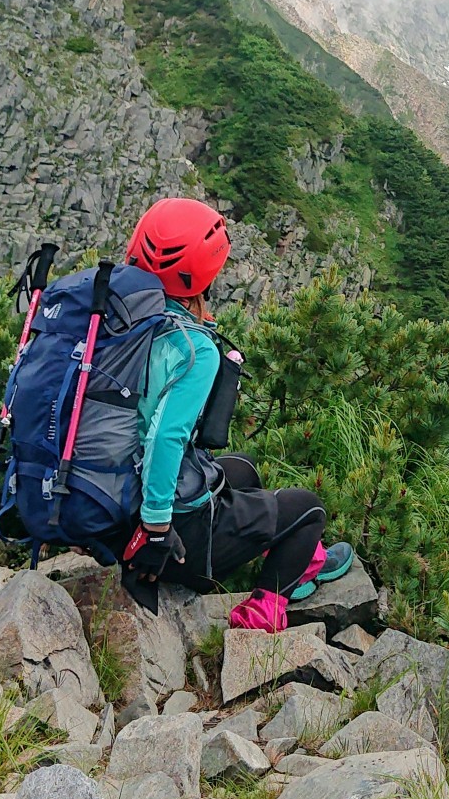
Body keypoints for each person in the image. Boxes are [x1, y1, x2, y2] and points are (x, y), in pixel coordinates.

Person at [117, 196, 352, 631]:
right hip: (157, 543)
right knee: (308, 510)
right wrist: (154, 530)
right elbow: (164, 439)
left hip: (105, 510)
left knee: (241, 471)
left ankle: (272, 550)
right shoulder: (192, 347)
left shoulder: (113, 317)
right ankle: (266, 606)